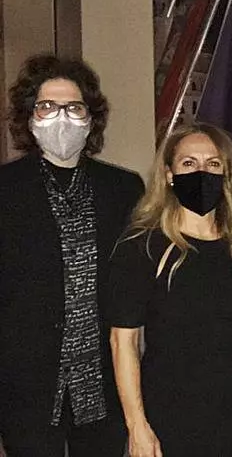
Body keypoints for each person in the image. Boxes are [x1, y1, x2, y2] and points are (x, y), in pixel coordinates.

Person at [0, 55, 144, 456]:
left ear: (90, 118)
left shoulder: (123, 189)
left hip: (101, 379)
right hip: (26, 381)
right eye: (47, 106)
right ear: (29, 116)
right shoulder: (6, 189)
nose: (61, 117)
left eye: (74, 107)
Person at [108, 123, 232, 456]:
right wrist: (137, 426)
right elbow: (123, 342)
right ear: (169, 175)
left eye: (213, 163)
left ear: (227, 174)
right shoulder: (142, 247)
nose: (201, 172)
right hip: (169, 419)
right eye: (189, 163)